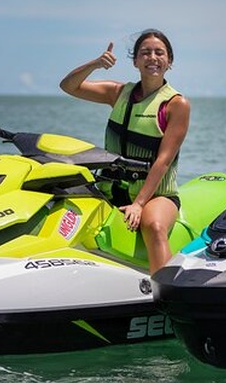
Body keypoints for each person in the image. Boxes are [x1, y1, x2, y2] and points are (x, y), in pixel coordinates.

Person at [60, 29, 189, 273]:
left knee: (154, 226)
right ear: (135, 61)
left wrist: (139, 204)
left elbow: (163, 160)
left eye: (159, 52)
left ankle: (166, 297)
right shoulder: (118, 93)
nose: (152, 57)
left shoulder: (176, 104)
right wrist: (96, 64)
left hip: (155, 196)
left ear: (169, 61)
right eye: (145, 53)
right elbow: (69, 86)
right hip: (111, 189)